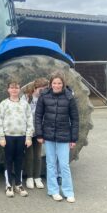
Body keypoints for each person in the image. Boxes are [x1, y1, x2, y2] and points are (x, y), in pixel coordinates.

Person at [35, 71, 79, 203]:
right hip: (48, 136)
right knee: (50, 164)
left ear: (63, 84)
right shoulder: (44, 96)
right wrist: (40, 134)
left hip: (64, 136)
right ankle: (53, 190)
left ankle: (68, 191)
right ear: (50, 84)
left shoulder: (69, 97)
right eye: (54, 83)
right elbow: (38, 116)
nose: (57, 85)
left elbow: (75, 119)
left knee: (64, 164)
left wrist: (73, 138)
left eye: (59, 83)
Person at [0, 79, 34, 198]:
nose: (14, 90)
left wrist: (29, 137)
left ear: (19, 89)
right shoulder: (4, 104)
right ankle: (8, 185)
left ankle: (18, 184)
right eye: (12, 88)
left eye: (16, 87)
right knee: (8, 161)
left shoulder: (24, 104)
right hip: (8, 137)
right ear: (8, 90)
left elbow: (29, 120)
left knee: (19, 161)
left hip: (21, 137)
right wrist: (1, 137)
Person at [24, 78, 49, 189]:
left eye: (45, 90)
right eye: (41, 90)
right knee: (29, 155)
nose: (42, 92)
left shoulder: (44, 99)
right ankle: (29, 177)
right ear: (35, 88)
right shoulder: (26, 98)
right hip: (28, 131)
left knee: (38, 155)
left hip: (39, 131)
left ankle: (37, 177)